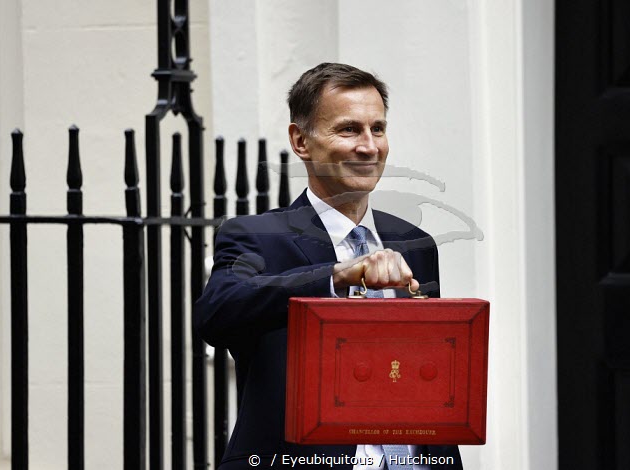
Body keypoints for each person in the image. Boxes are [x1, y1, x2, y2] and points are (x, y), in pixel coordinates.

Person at [195, 63, 463, 470]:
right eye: (349, 130)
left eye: (377, 129)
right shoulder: (256, 235)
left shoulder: (416, 243)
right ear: (300, 141)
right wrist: (335, 277)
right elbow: (217, 312)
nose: (369, 147)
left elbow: (427, 375)